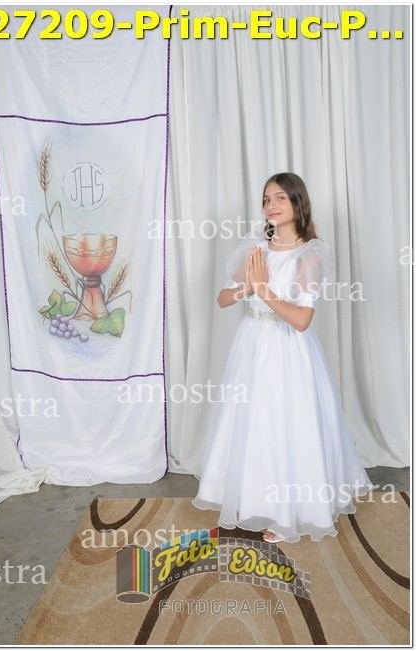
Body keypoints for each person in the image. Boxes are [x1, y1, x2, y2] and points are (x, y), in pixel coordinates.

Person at [191, 172, 374, 544]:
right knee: (253, 425)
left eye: (280, 198)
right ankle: (253, 499)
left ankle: (290, 511)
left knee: (284, 424)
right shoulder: (256, 249)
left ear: (297, 202)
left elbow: (302, 320)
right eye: (266, 199)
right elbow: (223, 299)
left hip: (287, 348)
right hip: (251, 343)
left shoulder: (310, 255)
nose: (271, 205)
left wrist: (264, 290)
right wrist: (247, 287)